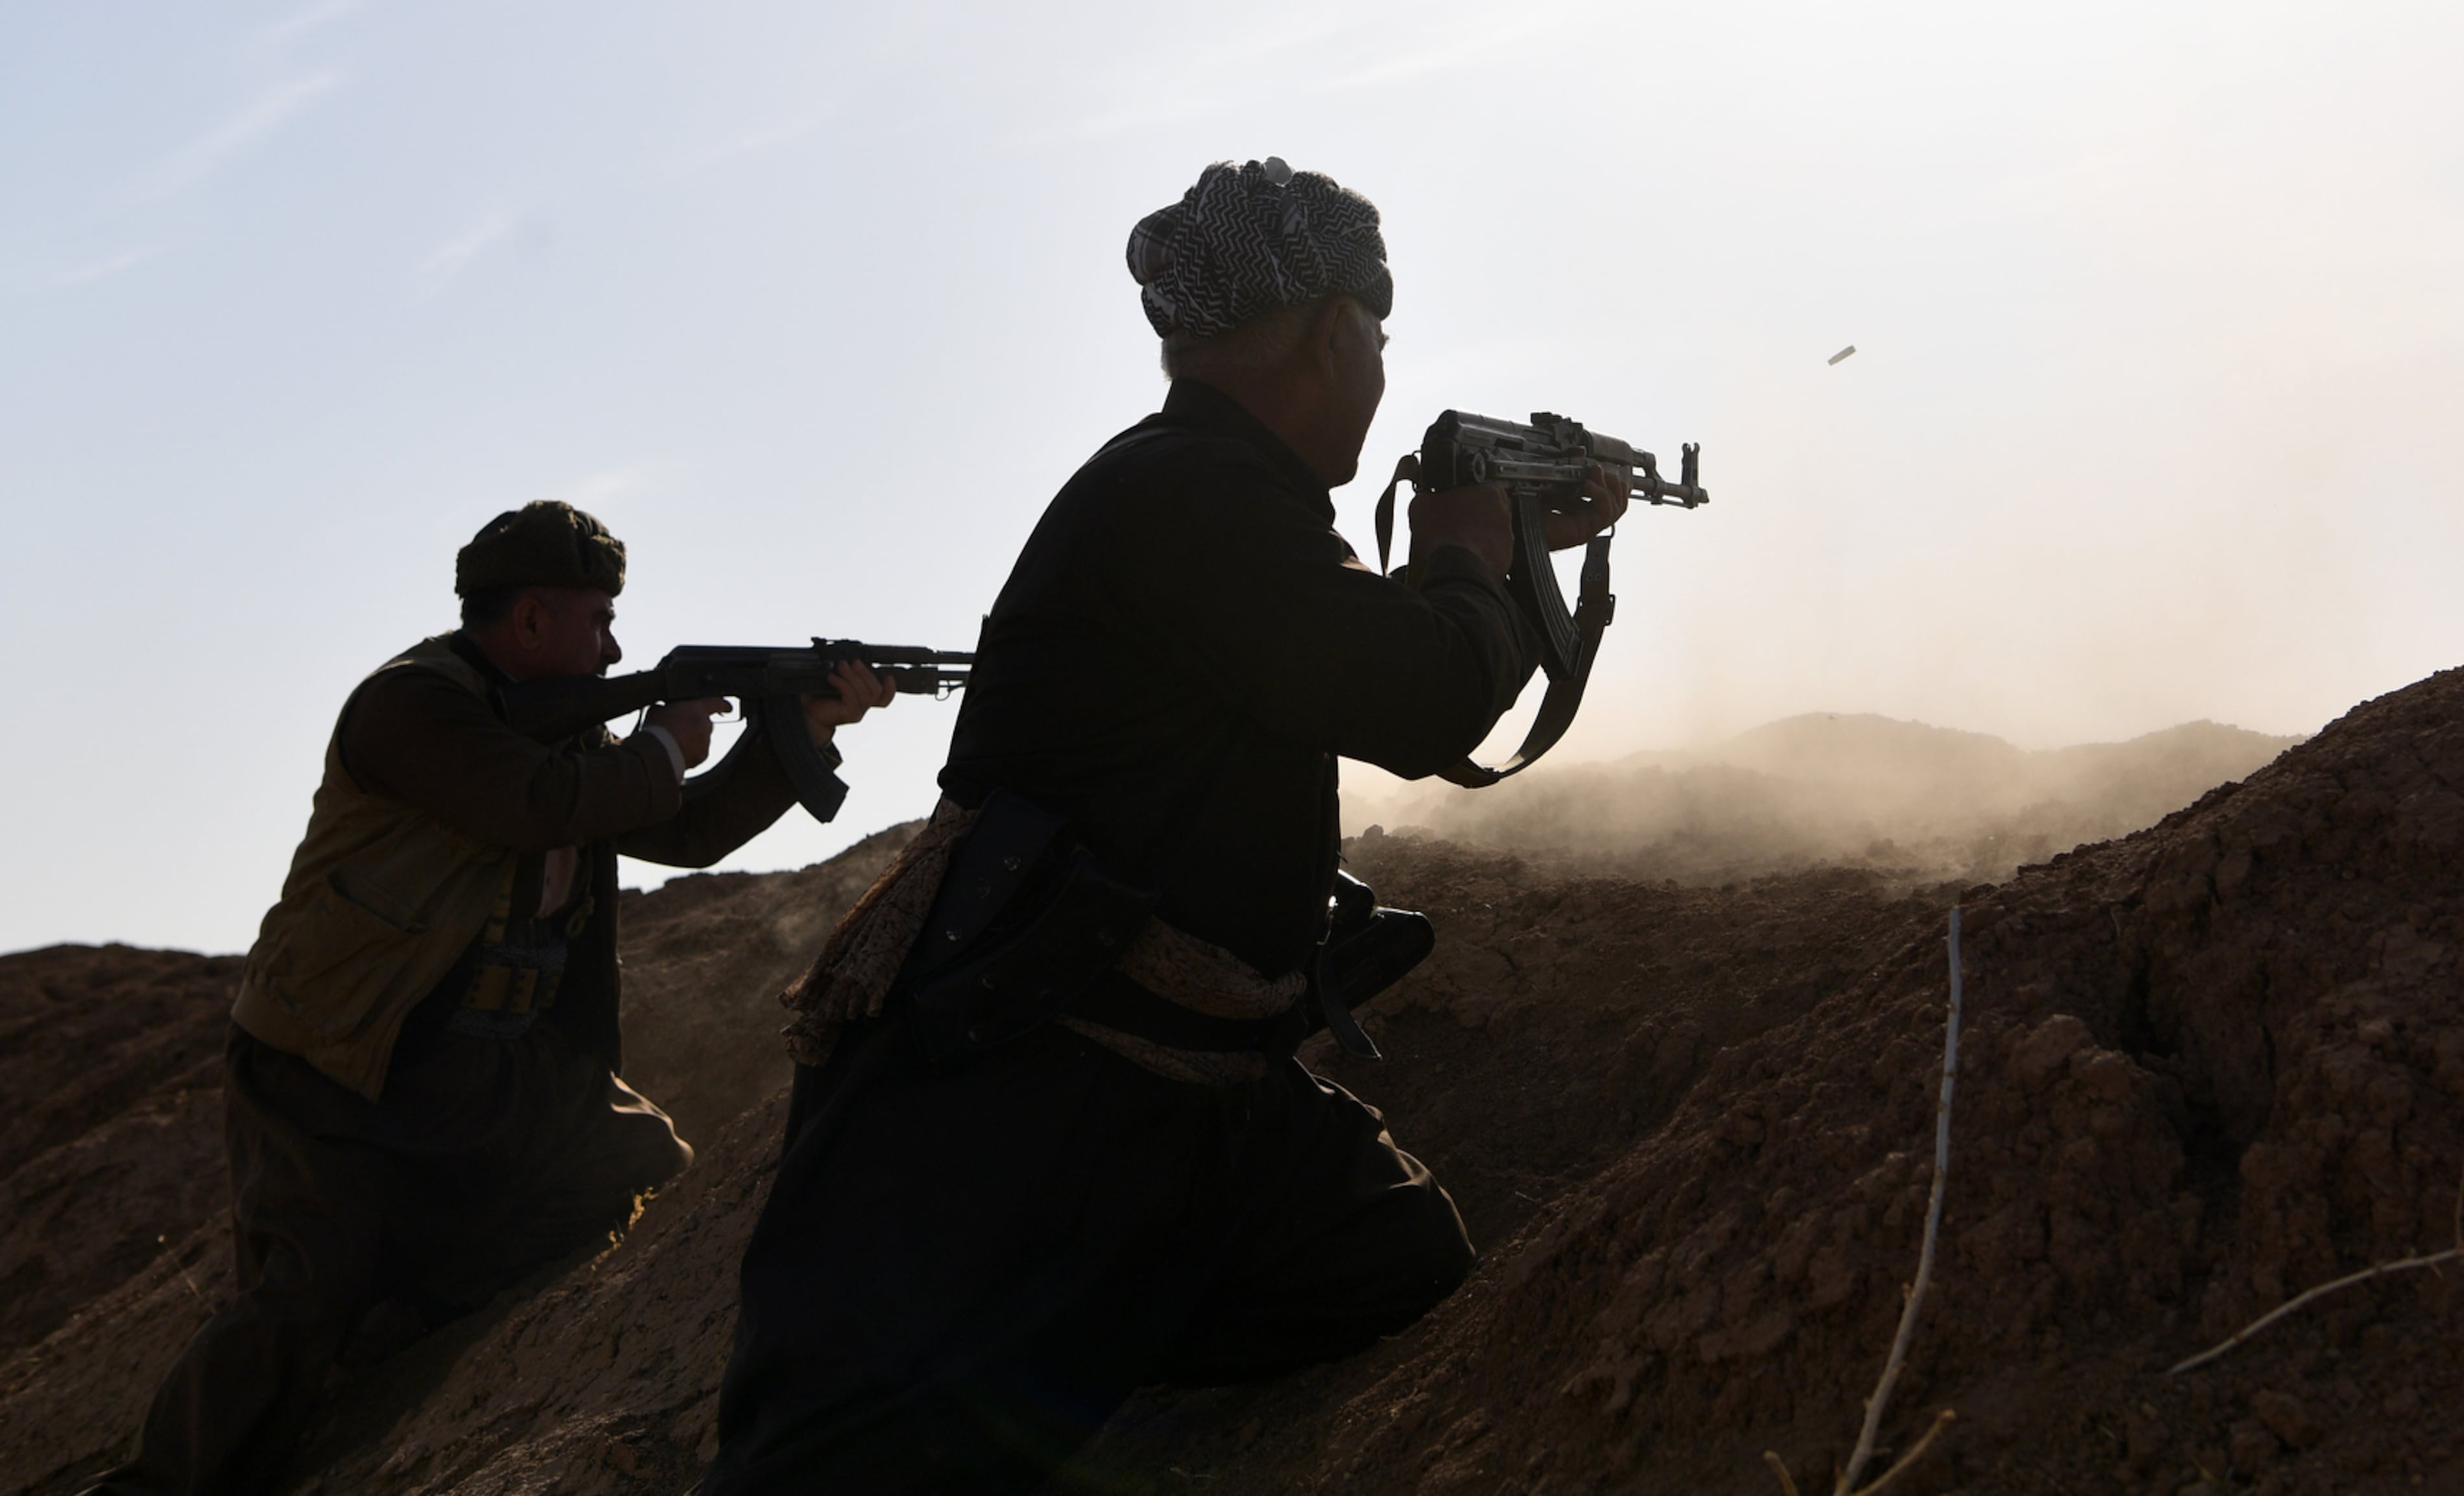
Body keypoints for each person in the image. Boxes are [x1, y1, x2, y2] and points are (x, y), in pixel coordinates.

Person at [701, 157, 1631, 1494]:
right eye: (1375, 336)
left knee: (1393, 1255)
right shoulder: (1186, 494)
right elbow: (1417, 697)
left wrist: (1500, 546)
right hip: (999, 1111)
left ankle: (1069, 1357)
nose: (1379, 371)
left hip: (1178, 1102)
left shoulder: (1221, 497)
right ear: (1332, 332)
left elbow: (1373, 656)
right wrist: (1469, 550)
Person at [93, 500, 893, 1496]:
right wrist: (667, 744)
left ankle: (405, 1331)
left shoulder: (568, 733)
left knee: (636, 1167)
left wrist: (800, 730)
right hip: (339, 1061)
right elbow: (537, 808)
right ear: (527, 623)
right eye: (597, 621)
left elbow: (682, 830)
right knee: (299, 1296)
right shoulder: (410, 709)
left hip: (491, 1059)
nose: (613, 648)